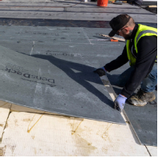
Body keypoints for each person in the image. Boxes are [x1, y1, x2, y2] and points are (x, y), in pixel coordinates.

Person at [94, 14, 157, 112]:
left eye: (118, 32)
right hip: (145, 63)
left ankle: (147, 94)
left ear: (126, 29)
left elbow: (142, 68)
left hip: (150, 65)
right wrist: (106, 68)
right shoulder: (132, 35)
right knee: (120, 82)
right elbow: (124, 57)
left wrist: (124, 95)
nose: (118, 35)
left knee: (149, 69)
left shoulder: (147, 40)